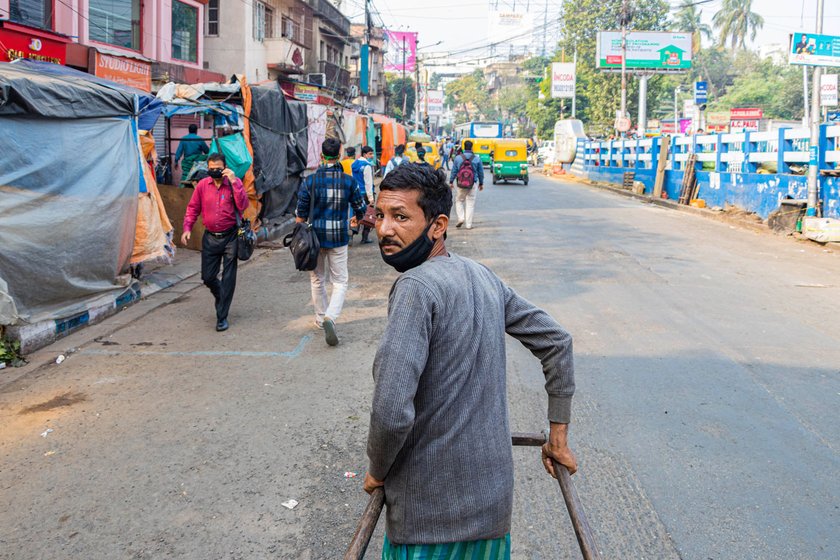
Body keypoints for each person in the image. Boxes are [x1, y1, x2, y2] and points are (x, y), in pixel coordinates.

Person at [365, 163, 576, 558]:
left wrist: (377, 470)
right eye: (381, 215)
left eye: (401, 217)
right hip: (491, 511)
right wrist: (557, 439)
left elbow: (391, 411)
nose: (384, 230)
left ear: (438, 225)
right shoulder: (482, 277)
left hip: (428, 519)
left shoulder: (416, 287)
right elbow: (557, 341)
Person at [296, 138, 366, 346]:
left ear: (321, 155)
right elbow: (360, 207)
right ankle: (331, 317)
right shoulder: (348, 181)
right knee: (340, 281)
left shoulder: (310, 181)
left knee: (317, 279)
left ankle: (320, 317)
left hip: (314, 238)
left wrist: (300, 229)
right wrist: (357, 218)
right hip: (339, 237)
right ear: (339, 154)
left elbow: (300, 213)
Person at [181, 153, 249, 332]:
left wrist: (234, 182)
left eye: (218, 169)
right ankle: (221, 296)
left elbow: (243, 206)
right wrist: (187, 228)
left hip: (231, 237)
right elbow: (193, 208)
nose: (214, 172)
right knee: (208, 277)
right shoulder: (203, 186)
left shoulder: (234, 183)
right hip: (210, 237)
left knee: (228, 277)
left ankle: (222, 317)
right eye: (211, 169)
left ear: (225, 167)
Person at [448, 139, 484, 229]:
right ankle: (468, 225)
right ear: (472, 147)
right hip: (473, 183)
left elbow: (454, 171)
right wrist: (481, 183)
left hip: (460, 183)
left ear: (464, 147)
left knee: (459, 201)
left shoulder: (458, 158)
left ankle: (461, 218)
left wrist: (451, 181)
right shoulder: (477, 158)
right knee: (470, 203)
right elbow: (481, 172)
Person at [351, 145, 376, 244]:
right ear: (365, 154)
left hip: (355, 192)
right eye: (370, 154)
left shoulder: (354, 164)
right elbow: (368, 183)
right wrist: (371, 198)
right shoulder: (367, 166)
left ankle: (351, 236)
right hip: (365, 194)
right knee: (368, 214)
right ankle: (365, 237)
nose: (372, 156)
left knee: (355, 214)